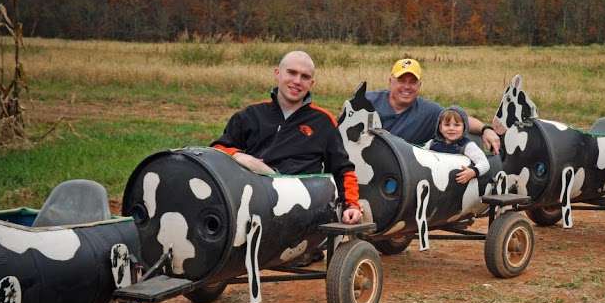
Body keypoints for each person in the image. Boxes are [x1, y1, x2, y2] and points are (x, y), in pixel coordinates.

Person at [211, 50, 362, 224]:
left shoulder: (323, 121)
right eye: (291, 73)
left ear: (311, 83)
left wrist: (352, 205)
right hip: (255, 199)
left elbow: (343, 169)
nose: (297, 81)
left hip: (302, 207)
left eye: (305, 77)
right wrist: (240, 157)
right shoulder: (250, 115)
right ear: (277, 73)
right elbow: (218, 149)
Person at [366, 58, 502, 154]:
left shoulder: (428, 112)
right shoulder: (367, 101)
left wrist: (486, 129)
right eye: (401, 80)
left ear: (419, 86)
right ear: (390, 81)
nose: (407, 87)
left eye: (413, 82)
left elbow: (458, 118)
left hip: (396, 174)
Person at [423, 106, 489, 184]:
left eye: (457, 125)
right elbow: (421, 157)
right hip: (435, 183)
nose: (451, 128)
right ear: (440, 128)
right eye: (447, 125)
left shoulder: (467, 146)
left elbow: (485, 164)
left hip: (458, 186)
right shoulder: (431, 144)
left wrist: (473, 172)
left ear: (464, 127)